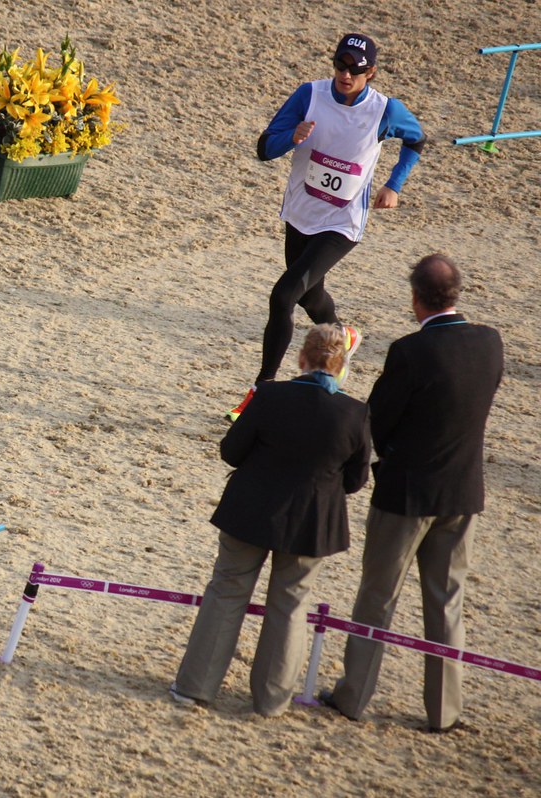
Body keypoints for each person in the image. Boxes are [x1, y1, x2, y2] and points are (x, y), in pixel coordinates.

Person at [320, 254, 503, 733]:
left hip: (405, 494)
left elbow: (377, 418)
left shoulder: (410, 351)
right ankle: (445, 711)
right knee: (447, 604)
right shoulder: (490, 342)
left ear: (416, 298)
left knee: (377, 598)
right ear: (456, 293)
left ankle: (353, 696)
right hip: (462, 492)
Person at [171, 324, 370, 716]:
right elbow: (356, 480)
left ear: (302, 358)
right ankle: (272, 700)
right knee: (291, 605)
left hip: (251, 509)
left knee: (227, 591)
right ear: (342, 365)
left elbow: (231, 450)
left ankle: (195, 688)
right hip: (311, 521)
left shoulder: (271, 395)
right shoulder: (355, 412)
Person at [227, 32, 426, 421]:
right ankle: (343, 335)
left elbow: (417, 140)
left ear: (371, 73)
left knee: (283, 295)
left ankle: (260, 391)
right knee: (309, 297)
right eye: (340, 65)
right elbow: (264, 148)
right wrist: (292, 137)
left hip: (342, 222)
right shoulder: (309, 95)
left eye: (356, 69)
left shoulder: (385, 110)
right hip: (301, 214)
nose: (346, 74)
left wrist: (393, 184)